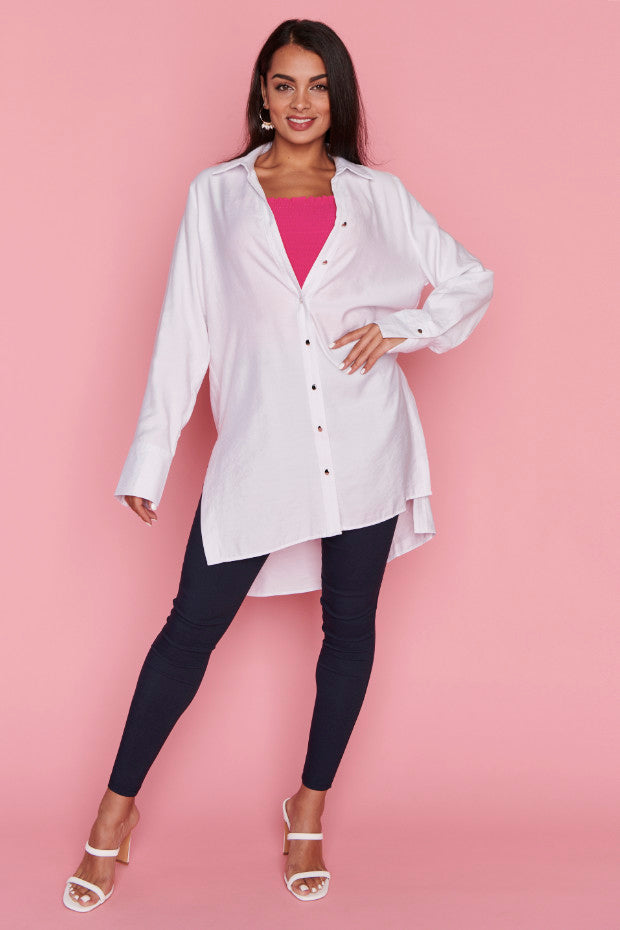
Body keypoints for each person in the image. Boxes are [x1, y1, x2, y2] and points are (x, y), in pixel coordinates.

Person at [63, 18, 494, 911]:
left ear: (339, 96)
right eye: (285, 83)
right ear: (262, 94)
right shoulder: (216, 196)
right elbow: (184, 329)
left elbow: (468, 279)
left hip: (366, 441)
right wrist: (150, 457)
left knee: (350, 628)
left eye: (319, 85)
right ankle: (114, 813)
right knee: (190, 629)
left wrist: (402, 328)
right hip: (263, 447)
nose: (302, 102)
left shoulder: (378, 195)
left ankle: (309, 808)